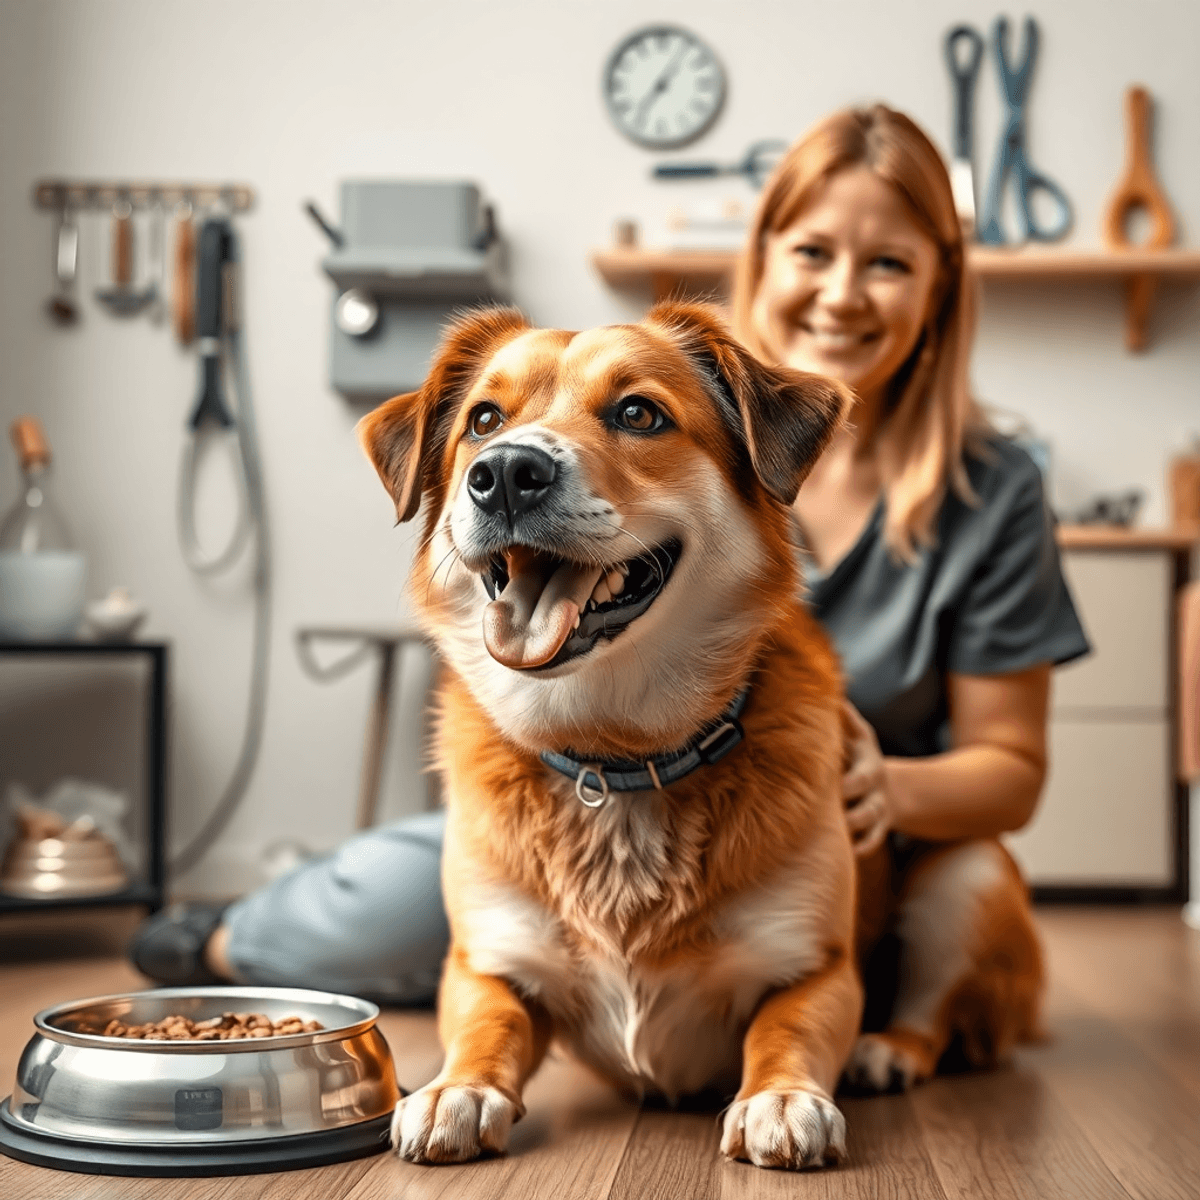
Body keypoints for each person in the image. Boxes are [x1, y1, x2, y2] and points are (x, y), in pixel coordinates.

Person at [132, 106, 1088, 1058]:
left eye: (888, 263)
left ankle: (893, 1028)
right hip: (568, 782)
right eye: (812, 251)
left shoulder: (986, 487)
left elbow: (1010, 767)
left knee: (937, 891)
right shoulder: (695, 395)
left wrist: (887, 790)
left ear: (940, 288)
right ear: (765, 254)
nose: (841, 294)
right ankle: (225, 938)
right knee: (373, 902)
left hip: (809, 824)